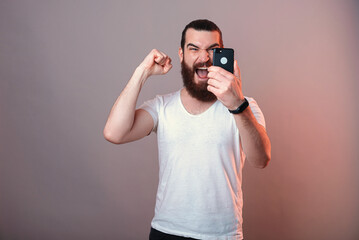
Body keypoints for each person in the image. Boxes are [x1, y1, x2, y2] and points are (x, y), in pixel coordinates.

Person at [103, 19, 271, 240]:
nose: (204, 58)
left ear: (223, 55)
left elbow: (261, 160)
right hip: (166, 232)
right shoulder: (162, 107)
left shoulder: (245, 106)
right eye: (194, 49)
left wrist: (237, 105)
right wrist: (142, 72)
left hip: (222, 235)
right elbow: (114, 133)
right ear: (181, 55)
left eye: (213, 50)